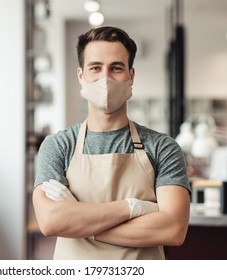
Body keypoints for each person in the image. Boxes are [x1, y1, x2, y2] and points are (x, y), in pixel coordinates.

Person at [32, 26, 191, 260]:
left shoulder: (163, 148)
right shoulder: (57, 146)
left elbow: (173, 229)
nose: (105, 78)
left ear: (131, 76)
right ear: (81, 76)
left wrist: (80, 221)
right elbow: (50, 221)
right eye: (95, 68)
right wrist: (132, 207)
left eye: (116, 68)